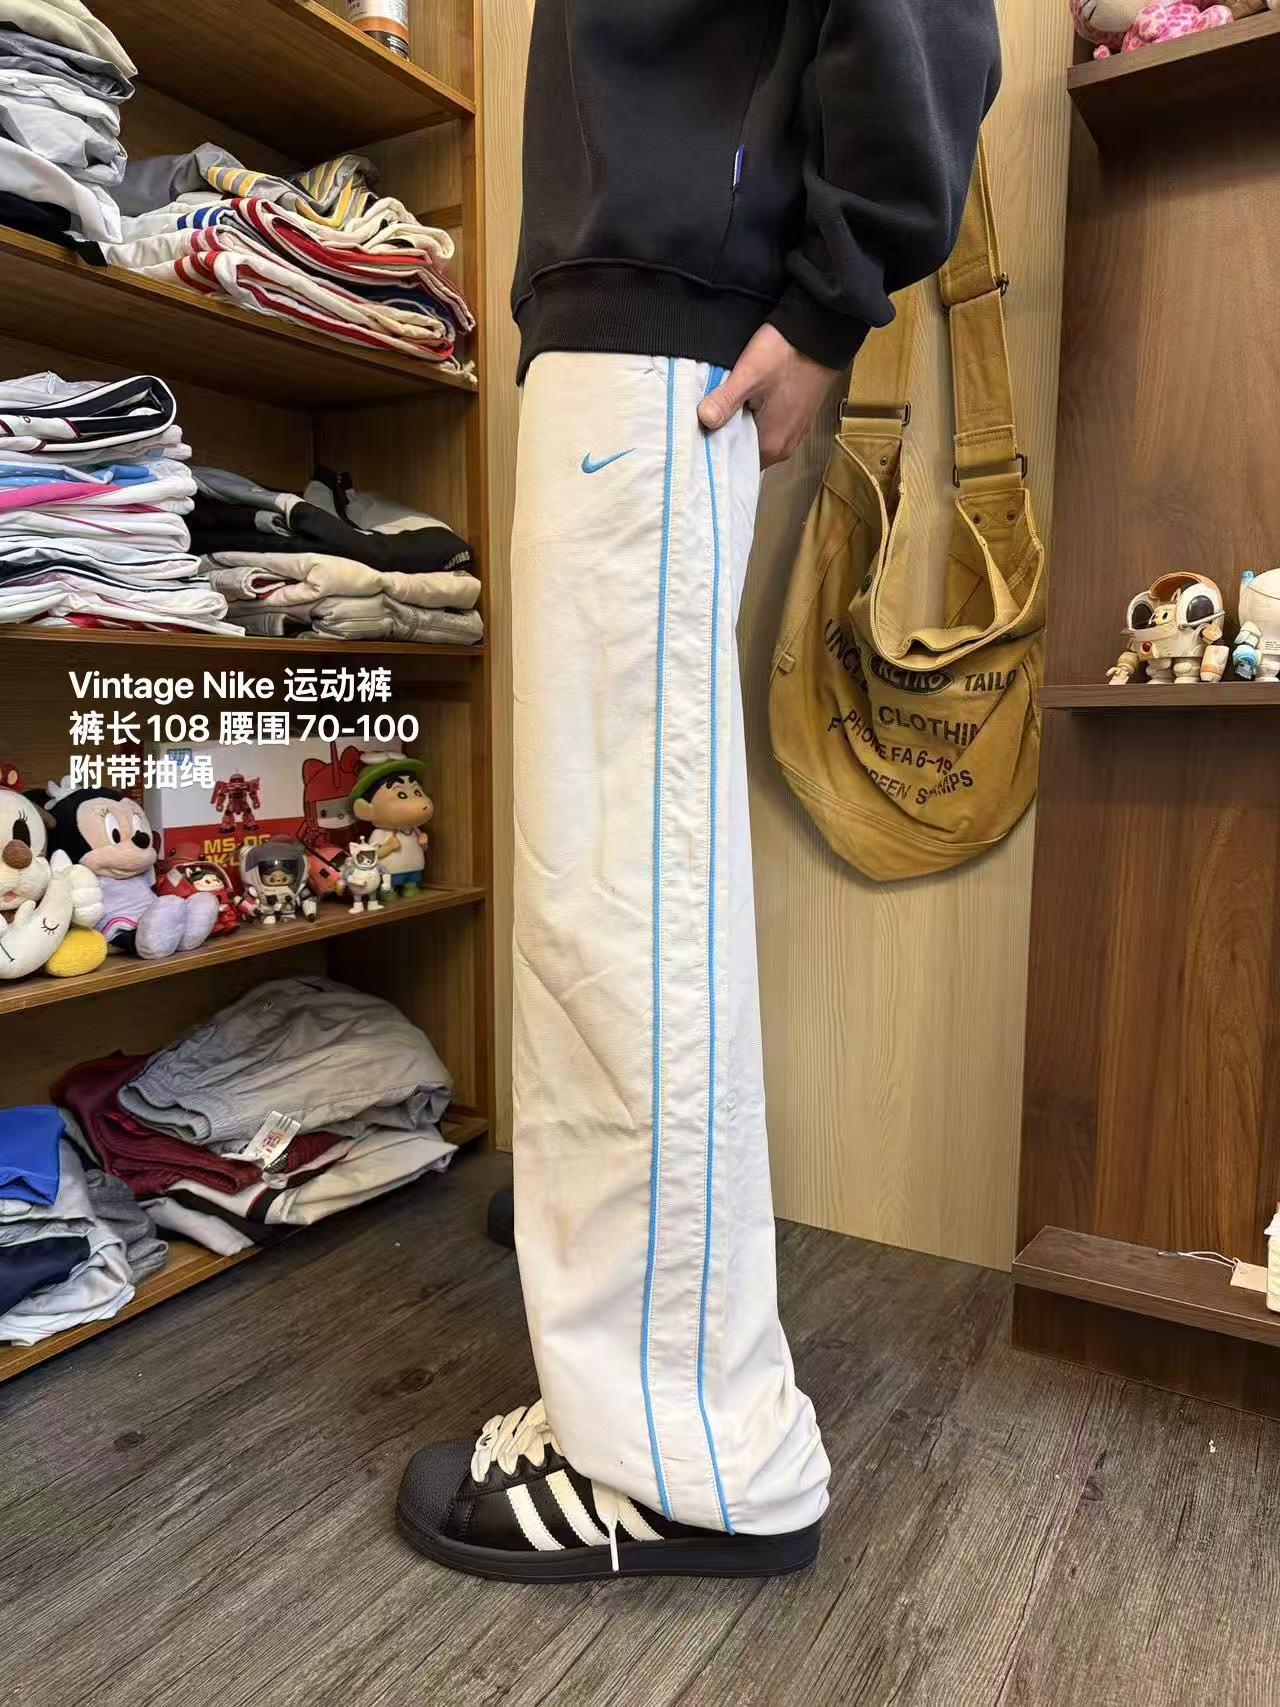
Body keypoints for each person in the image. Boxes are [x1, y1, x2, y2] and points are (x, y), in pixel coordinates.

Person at [398, 0, 1002, 1583]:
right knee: (605, 904)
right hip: (619, 328)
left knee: (624, 914)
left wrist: (831, 299)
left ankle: (686, 1460)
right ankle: (647, 1406)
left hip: (662, 334)